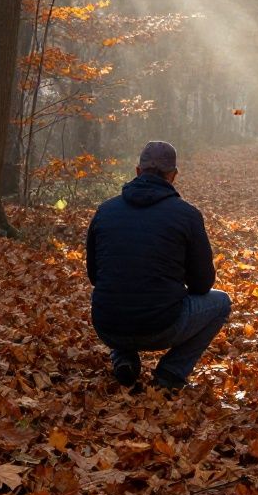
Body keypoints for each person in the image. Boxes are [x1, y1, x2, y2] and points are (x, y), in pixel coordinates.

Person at [85, 141, 231, 391]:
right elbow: (203, 283)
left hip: (108, 324)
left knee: (121, 291)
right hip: (163, 326)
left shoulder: (105, 211)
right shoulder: (187, 215)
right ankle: (171, 373)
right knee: (221, 303)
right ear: (173, 175)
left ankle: (124, 359)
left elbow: (95, 276)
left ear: (138, 171)